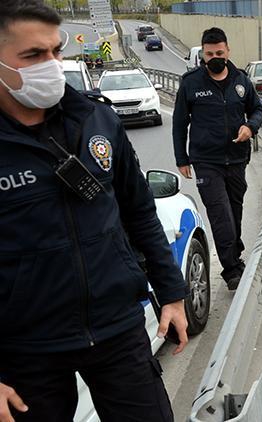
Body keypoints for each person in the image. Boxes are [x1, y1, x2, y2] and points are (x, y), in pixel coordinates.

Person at [0, 1, 189, 421]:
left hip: (116, 326)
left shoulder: (96, 118)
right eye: (32, 56)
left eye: (55, 51)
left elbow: (139, 210)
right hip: (27, 348)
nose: (50, 65)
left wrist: (172, 294)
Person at [172, 27, 262, 290]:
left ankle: (234, 254)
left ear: (228, 52)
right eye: (209, 53)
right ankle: (232, 270)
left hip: (236, 159)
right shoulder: (191, 83)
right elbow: (179, 124)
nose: (215, 57)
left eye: (219, 53)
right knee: (220, 214)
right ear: (202, 53)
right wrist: (182, 158)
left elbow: (257, 109)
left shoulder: (241, 80)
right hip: (205, 161)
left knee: (234, 212)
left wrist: (250, 127)